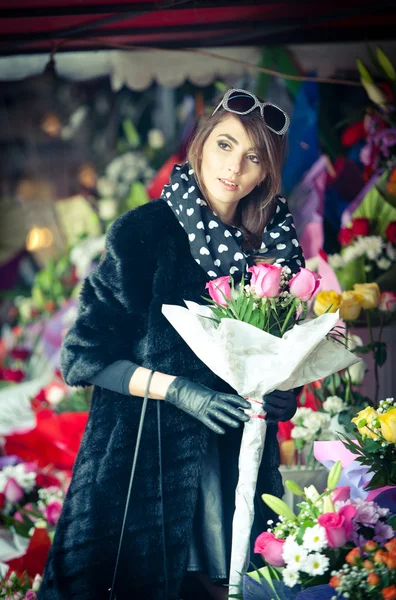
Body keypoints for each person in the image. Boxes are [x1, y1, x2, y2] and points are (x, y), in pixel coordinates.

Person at [38, 89, 304, 600]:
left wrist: (281, 393)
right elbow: (84, 355)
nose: (235, 168)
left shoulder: (274, 248)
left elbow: (281, 353)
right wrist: (180, 390)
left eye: (254, 158)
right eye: (226, 145)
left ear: (267, 173)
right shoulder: (144, 232)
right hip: (141, 472)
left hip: (235, 463)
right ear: (201, 145)